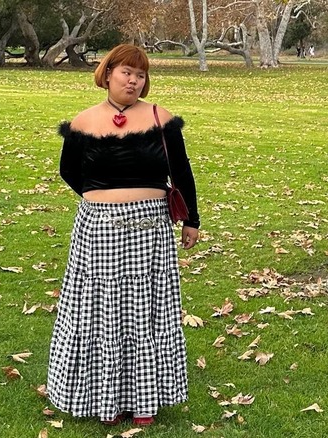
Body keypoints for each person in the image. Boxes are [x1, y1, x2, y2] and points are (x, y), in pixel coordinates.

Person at [48, 43, 200, 427]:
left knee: (145, 310)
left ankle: (145, 400)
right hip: (99, 229)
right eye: (126, 72)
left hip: (150, 229)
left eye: (141, 74)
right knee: (102, 312)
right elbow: (69, 171)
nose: (133, 80)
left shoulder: (159, 117)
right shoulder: (83, 122)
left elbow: (181, 172)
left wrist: (191, 220)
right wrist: (101, 199)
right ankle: (107, 401)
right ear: (108, 73)